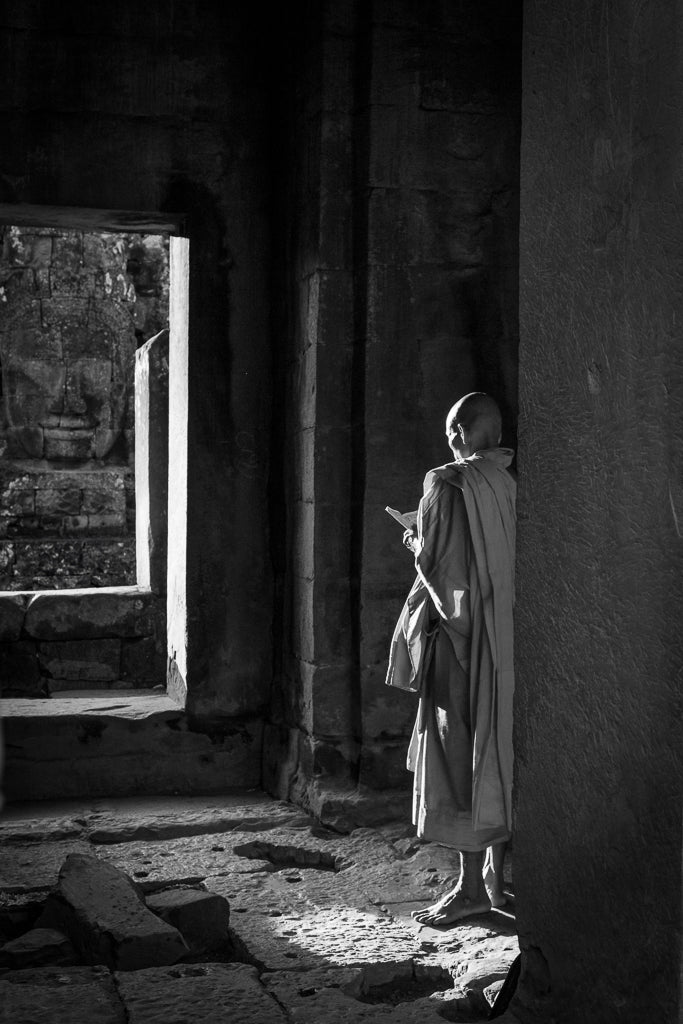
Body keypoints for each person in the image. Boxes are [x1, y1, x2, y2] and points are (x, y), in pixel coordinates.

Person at [386, 392, 516, 925]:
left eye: (450, 431)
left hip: (459, 644)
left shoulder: (446, 481)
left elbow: (439, 570)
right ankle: (494, 878)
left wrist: (414, 536)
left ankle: (469, 889)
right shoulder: (508, 485)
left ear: (459, 430)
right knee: (499, 744)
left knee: (460, 750)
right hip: (506, 640)